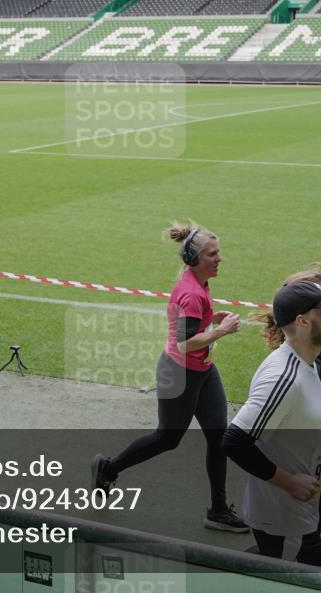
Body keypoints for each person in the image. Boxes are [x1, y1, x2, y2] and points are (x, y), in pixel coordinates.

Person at [92, 221, 248, 532]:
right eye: (212, 254)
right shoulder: (191, 292)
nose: (219, 258)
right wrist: (220, 330)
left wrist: (209, 320)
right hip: (180, 373)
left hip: (203, 370)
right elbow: (183, 343)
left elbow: (190, 328)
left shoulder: (199, 283)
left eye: (219, 253)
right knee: (168, 438)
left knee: (219, 438)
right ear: (194, 260)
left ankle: (218, 511)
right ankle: (108, 468)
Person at [222, 279, 321, 565]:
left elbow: (306, 424)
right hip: (282, 517)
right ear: (303, 322)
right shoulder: (283, 377)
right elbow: (234, 441)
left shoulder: (307, 364)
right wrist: (290, 482)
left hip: (297, 513)